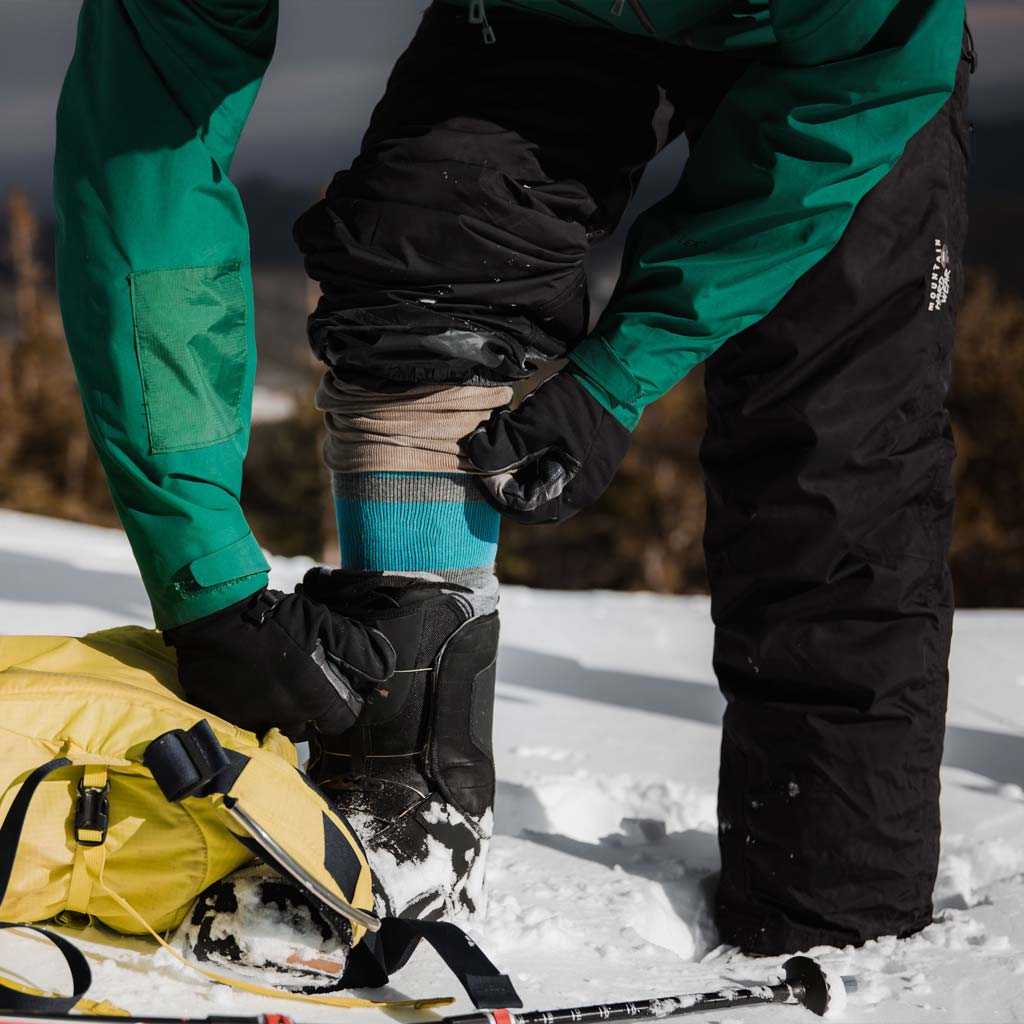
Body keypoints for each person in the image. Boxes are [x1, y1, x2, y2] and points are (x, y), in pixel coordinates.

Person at [55, 0, 973, 957]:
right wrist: (201, 572)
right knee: (423, 260)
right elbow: (145, 145)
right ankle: (405, 801)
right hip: (543, 11)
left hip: (839, 69)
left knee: (836, 455)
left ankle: (833, 922)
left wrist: (623, 373)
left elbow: (868, 76)